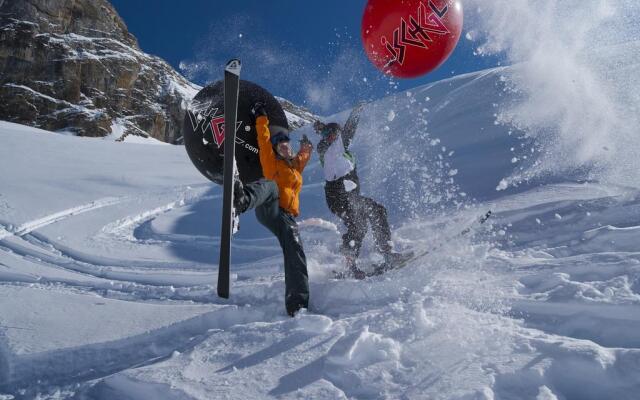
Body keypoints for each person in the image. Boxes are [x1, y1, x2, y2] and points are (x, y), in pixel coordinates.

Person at [233, 102, 313, 316]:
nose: (285, 146)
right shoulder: (271, 162)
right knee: (269, 184)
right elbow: (264, 139)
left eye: (288, 144)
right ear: (276, 149)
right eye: (281, 144)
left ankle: (297, 304)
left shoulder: (295, 167)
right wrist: (261, 118)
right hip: (269, 205)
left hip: (287, 218)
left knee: (296, 251)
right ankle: (241, 201)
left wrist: (307, 148)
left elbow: (304, 157)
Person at [313, 105, 409, 279]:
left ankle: (355, 263)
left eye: (333, 134)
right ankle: (386, 254)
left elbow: (338, 138)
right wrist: (355, 114)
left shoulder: (338, 151)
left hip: (346, 196)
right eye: (329, 136)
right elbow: (346, 134)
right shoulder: (330, 150)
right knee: (374, 212)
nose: (332, 137)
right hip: (339, 195)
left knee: (359, 224)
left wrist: (324, 129)